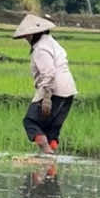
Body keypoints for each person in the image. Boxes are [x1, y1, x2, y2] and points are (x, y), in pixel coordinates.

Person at [13, 14, 78, 154]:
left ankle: (47, 156)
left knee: (31, 122)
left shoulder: (40, 49)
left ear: (35, 34)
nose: (26, 39)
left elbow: (49, 73)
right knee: (52, 129)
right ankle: (51, 169)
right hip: (69, 90)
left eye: (27, 36)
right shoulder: (52, 42)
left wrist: (47, 98)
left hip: (54, 90)